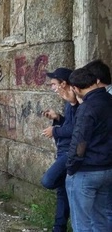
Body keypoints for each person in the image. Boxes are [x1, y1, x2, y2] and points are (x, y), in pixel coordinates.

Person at [65, 68, 112, 232]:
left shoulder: (87, 107)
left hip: (87, 170)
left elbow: (79, 140)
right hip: (107, 168)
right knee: (103, 219)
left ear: (76, 88)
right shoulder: (109, 100)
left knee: (82, 223)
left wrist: (71, 167)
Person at [40, 68, 77, 232]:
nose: (53, 88)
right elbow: (69, 125)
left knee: (48, 180)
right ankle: (59, 227)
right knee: (61, 192)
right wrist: (58, 118)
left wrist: (54, 130)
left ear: (64, 83)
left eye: (54, 84)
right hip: (63, 150)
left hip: (70, 152)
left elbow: (76, 129)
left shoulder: (75, 101)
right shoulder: (69, 101)